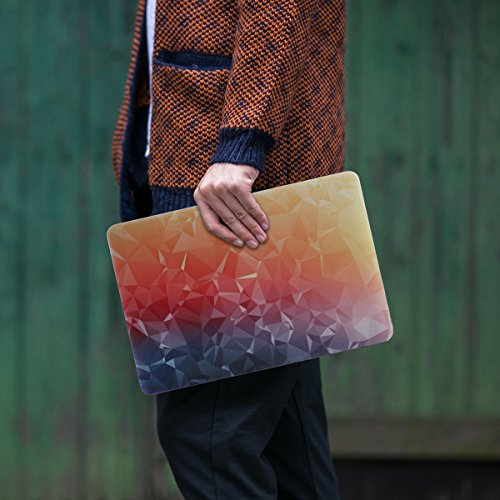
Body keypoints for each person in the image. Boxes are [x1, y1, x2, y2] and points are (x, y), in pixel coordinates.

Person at [111, 0, 346, 498]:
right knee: (286, 444)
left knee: (209, 438)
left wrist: (242, 145)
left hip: (229, 190)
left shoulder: (237, 161)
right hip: (227, 180)